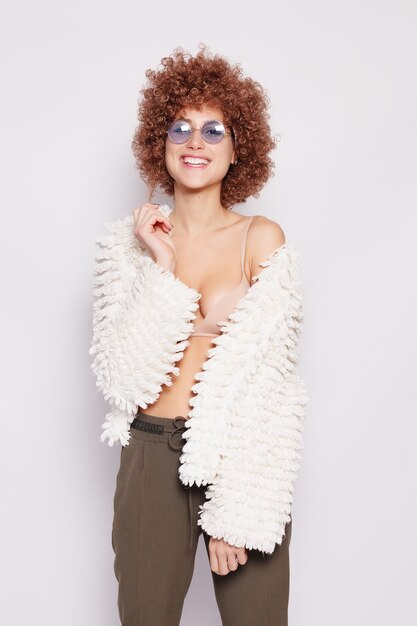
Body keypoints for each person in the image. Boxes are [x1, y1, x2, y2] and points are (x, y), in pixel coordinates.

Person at [89, 45, 309, 626]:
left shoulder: (260, 238)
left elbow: (270, 386)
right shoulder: (127, 248)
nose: (195, 141)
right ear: (159, 145)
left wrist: (234, 509)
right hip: (151, 455)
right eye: (179, 127)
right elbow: (123, 377)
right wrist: (159, 264)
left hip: (241, 458)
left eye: (214, 130)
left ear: (239, 150)